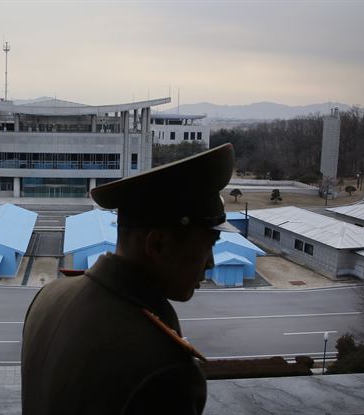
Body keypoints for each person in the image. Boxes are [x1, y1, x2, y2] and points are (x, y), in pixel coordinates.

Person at [22, 143, 237, 415]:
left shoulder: (50, 295)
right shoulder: (165, 370)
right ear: (158, 245)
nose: (211, 263)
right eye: (209, 245)